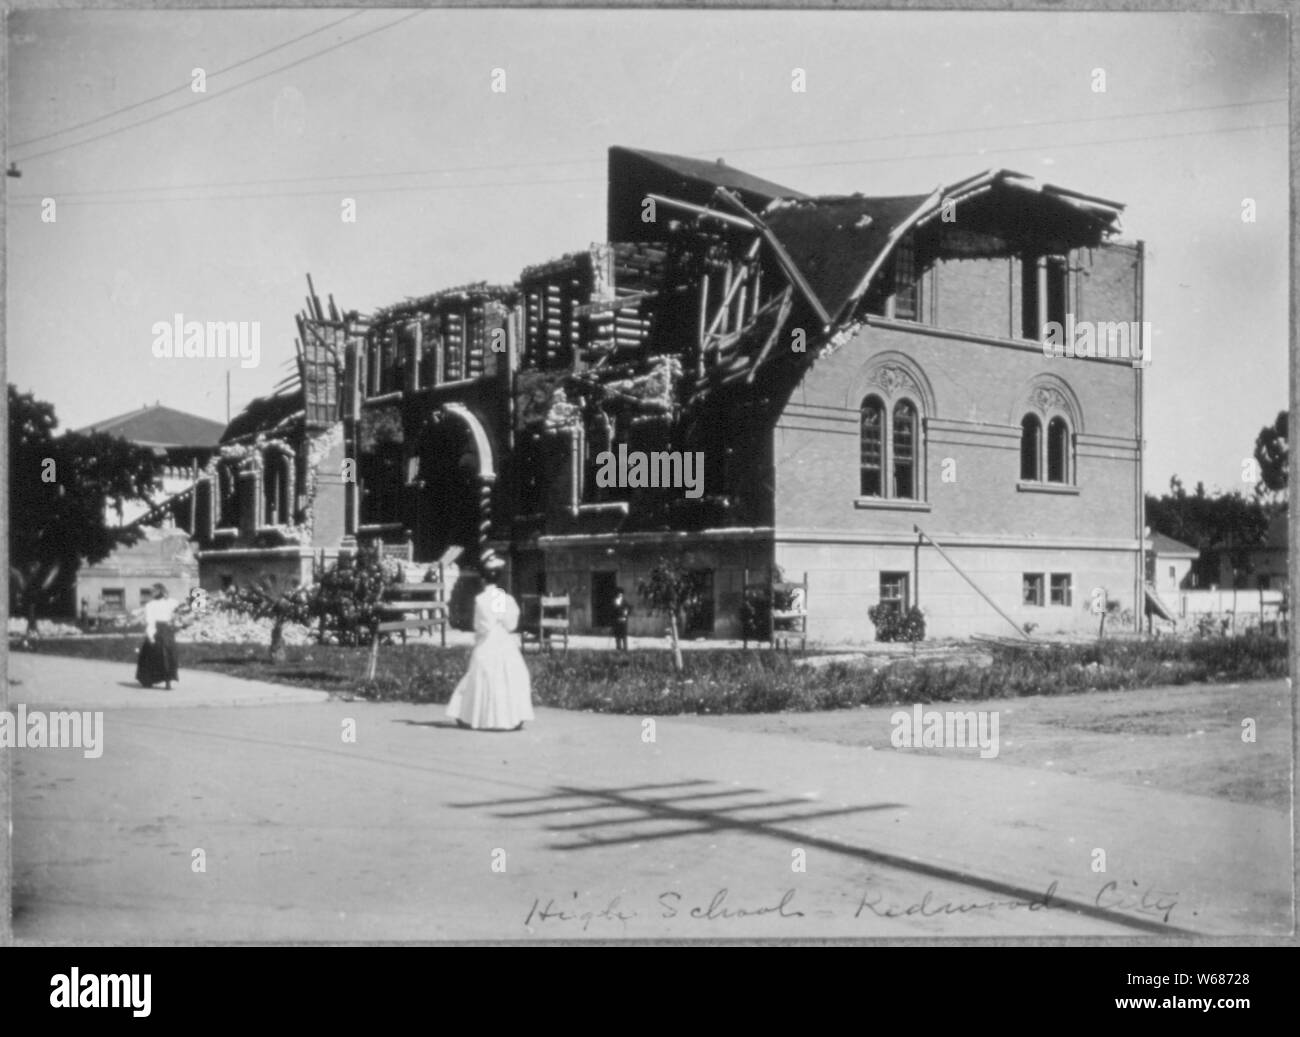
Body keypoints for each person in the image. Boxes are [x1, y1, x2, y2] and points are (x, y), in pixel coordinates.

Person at [445, 555, 534, 731]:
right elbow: (509, 623)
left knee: (481, 675)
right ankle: (510, 716)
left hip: (488, 641)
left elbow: (482, 626)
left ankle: (477, 715)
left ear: (483, 578)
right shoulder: (502, 597)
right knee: (508, 674)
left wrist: (484, 629)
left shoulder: (481, 599)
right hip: (503, 640)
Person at [136, 583, 179, 690]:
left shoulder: (160, 604)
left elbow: (175, 605)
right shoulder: (154, 604)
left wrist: (150, 635)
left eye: (154, 591)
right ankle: (161, 680)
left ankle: (155, 679)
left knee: (159, 654)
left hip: (162, 630)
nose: (152, 593)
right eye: (152, 591)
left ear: (160, 591)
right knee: (164, 654)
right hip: (162, 630)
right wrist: (150, 634)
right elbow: (150, 621)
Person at [611, 587, 632, 651]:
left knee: (624, 635)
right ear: (617, 594)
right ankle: (618, 647)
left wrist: (626, 613)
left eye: (621, 594)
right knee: (617, 635)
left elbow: (629, 608)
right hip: (616, 620)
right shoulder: (614, 601)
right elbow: (612, 611)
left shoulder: (625, 602)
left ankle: (625, 648)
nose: (620, 595)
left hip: (623, 620)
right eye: (619, 594)